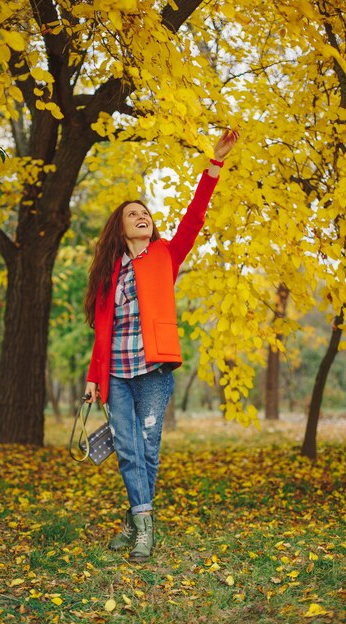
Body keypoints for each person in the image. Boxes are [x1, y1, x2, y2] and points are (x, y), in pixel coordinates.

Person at [84, 129, 239, 562]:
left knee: (146, 450)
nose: (142, 216)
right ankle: (142, 525)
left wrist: (215, 164)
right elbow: (102, 333)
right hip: (114, 373)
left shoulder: (166, 254)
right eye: (133, 213)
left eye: (145, 213)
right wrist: (93, 379)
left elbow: (194, 218)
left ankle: (138, 525)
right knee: (128, 450)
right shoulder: (107, 273)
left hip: (152, 371)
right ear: (120, 226)